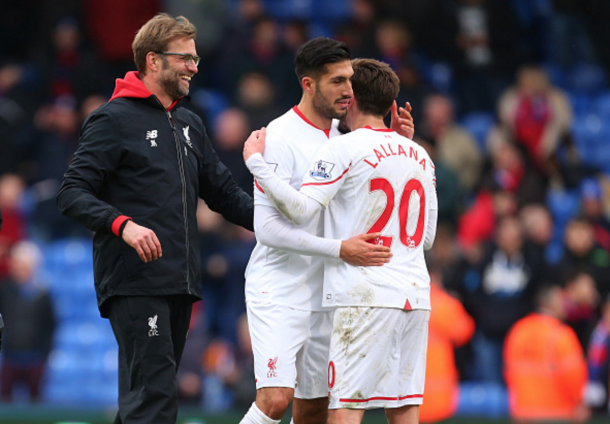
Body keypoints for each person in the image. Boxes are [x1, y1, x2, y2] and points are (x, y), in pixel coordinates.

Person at [56, 13, 254, 424]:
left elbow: (226, 195)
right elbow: (72, 193)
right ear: (152, 60)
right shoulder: (113, 119)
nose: (195, 67)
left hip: (180, 281)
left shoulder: (189, 123)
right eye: (185, 58)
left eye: (196, 59)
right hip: (135, 279)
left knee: (146, 399)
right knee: (155, 398)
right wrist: (122, 225)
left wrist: (287, 223)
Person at [244, 58, 437, 424]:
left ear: (352, 97)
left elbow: (300, 211)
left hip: (364, 294)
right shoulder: (421, 154)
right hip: (416, 294)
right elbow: (426, 238)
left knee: (345, 408)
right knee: (405, 408)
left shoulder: (343, 148)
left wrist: (256, 164)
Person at [503, 284, 589, 422]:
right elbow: (575, 375)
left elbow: (508, 371)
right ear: (551, 304)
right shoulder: (561, 335)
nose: (566, 305)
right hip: (558, 413)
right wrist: (579, 403)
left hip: (523, 412)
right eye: (562, 300)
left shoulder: (517, 331)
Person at [0, 241, 56, 403]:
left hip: (35, 359)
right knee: (5, 404)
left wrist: (44, 354)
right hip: (10, 356)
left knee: (35, 404)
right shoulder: (5, 291)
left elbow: (50, 326)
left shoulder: (42, 294)